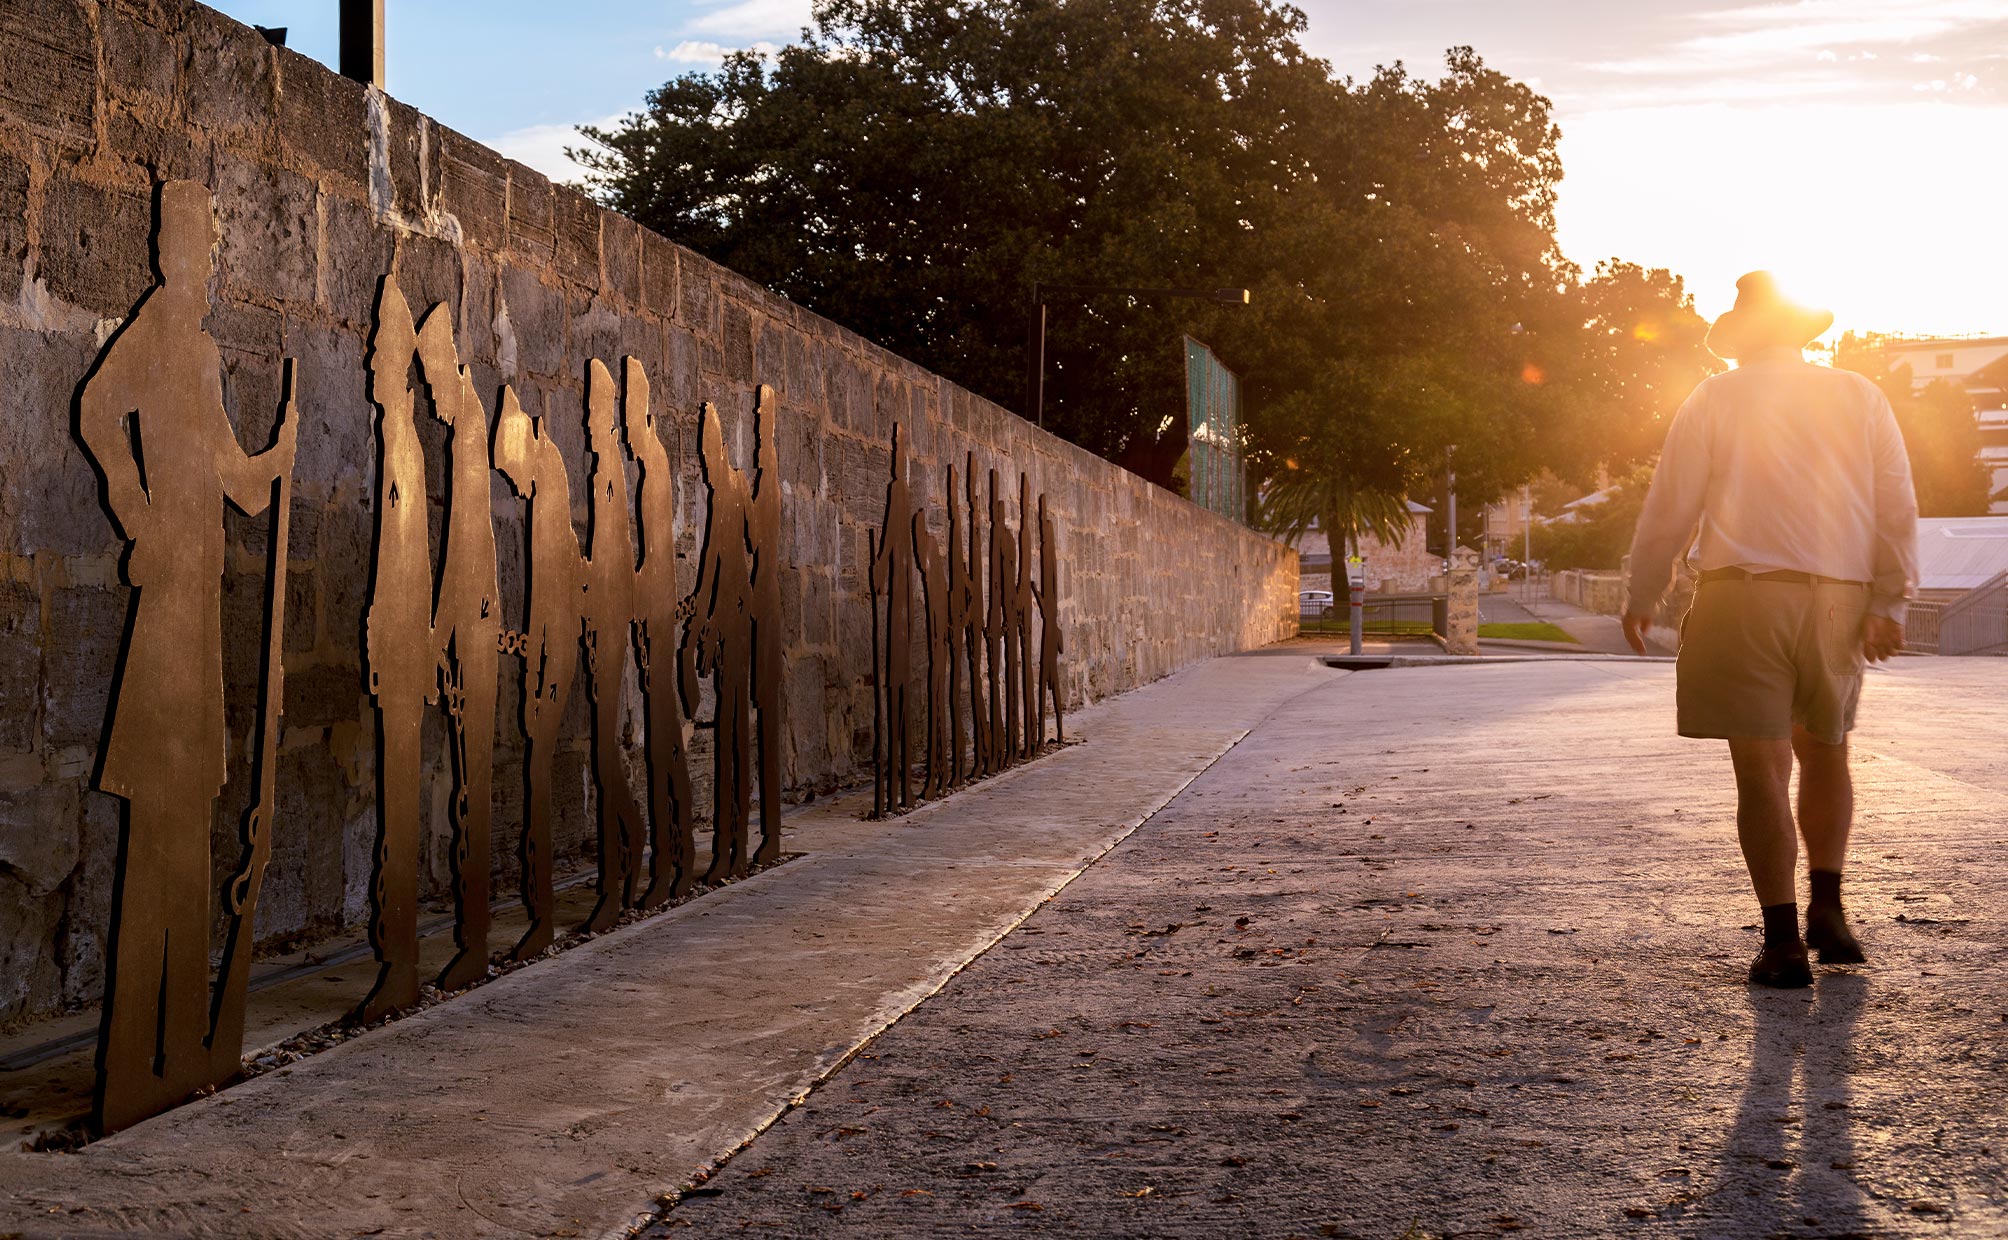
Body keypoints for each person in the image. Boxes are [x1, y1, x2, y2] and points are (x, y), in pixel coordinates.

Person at [1622, 271, 1919, 989]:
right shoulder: (1860, 395)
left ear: (1741, 339)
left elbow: (1671, 506)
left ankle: (1782, 942)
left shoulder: (1713, 398)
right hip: (1836, 601)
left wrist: (1644, 588)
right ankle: (1830, 907)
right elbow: (1895, 504)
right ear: (1799, 333)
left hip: (1740, 598)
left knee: (1760, 775)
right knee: (1827, 754)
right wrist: (1891, 601)